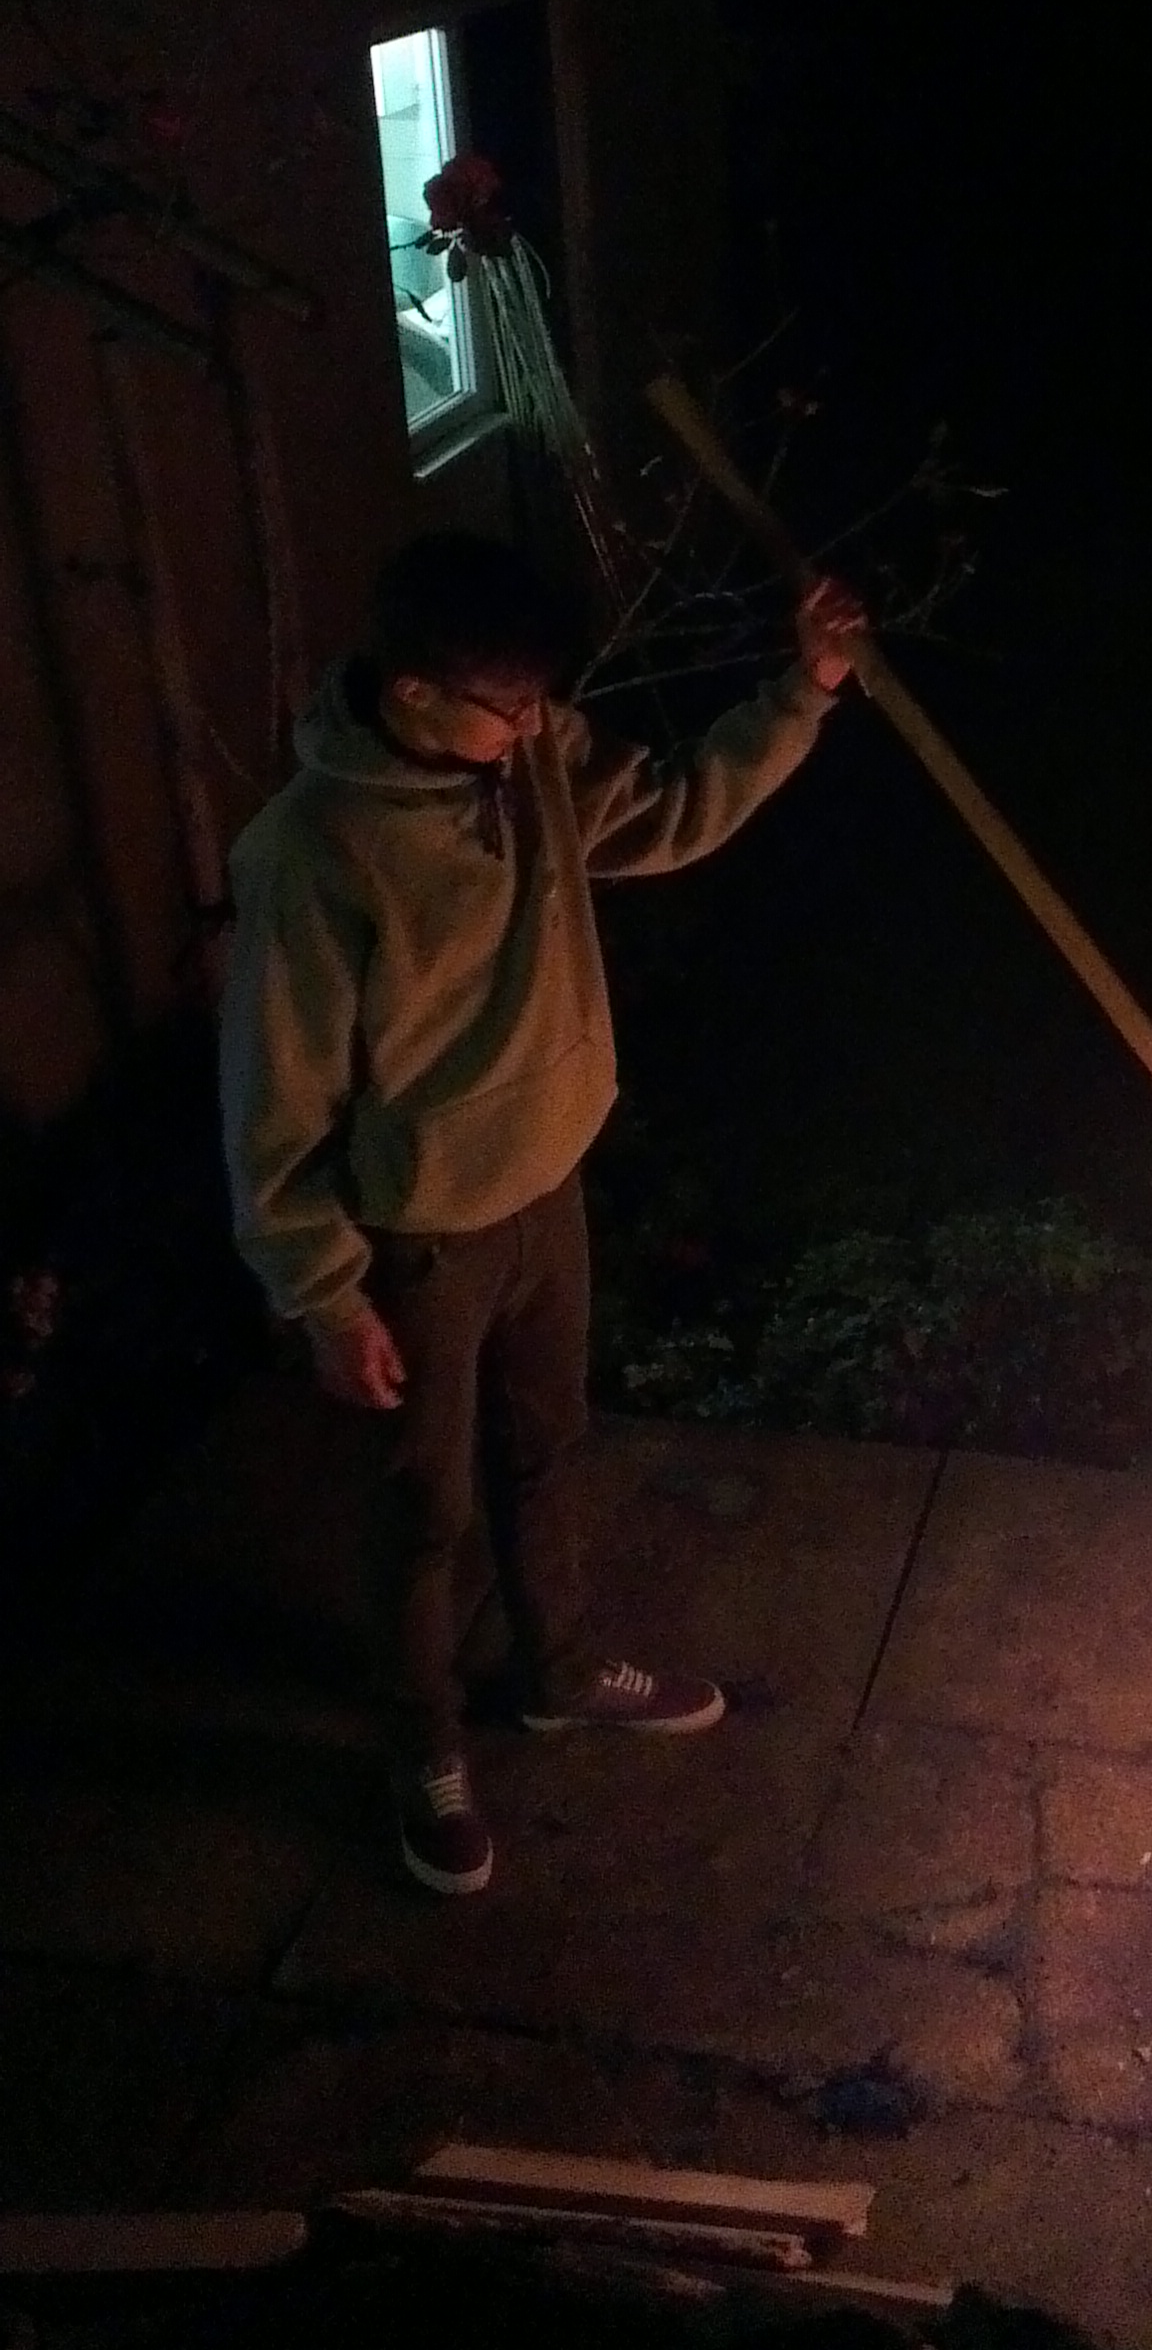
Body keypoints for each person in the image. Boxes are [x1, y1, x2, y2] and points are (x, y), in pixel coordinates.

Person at [219, 527, 863, 1897]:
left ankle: (558, 1674)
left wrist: (801, 689)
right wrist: (322, 1292)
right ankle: (425, 1746)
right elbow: (272, 1096)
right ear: (411, 693)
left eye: (538, 703)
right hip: (421, 1239)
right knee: (424, 1506)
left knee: (547, 1449)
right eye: (506, 708)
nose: (533, 731)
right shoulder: (314, 853)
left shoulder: (534, 756)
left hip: (545, 1186)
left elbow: (675, 809)